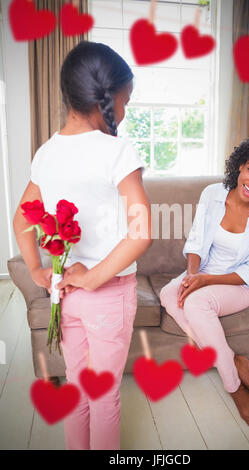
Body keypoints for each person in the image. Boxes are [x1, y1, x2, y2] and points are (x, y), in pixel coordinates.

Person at [13, 41, 152, 450]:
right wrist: (92, 278)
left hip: (63, 290)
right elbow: (141, 232)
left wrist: (40, 271)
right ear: (106, 100)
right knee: (103, 394)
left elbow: (22, 219)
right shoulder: (117, 150)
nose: (124, 113)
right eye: (125, 102)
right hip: (104, 293)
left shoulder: (46, 152)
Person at [160, 135, 249, 429]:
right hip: (206, 271)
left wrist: (204, 282)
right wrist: (193, 276)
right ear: (239, 166)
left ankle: (234, 387)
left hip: (244, 283)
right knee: (168, 293)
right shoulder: (212, 194)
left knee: (195, 302)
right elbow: (196, 242)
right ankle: (234, 360)